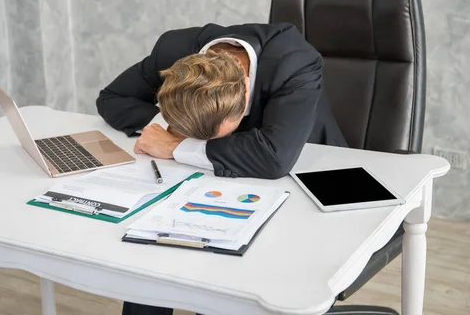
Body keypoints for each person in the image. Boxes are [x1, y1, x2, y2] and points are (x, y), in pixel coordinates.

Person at [96, 22, 348, 315]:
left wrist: (176, 147)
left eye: (218, 134)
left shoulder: (293, 61)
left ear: (245, 90)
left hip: (307, 184)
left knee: (224, 273)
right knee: (151, 253)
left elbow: (274, 157)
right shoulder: (173, 51)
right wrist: (166, 121)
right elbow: (112, 98)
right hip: (213, 179)